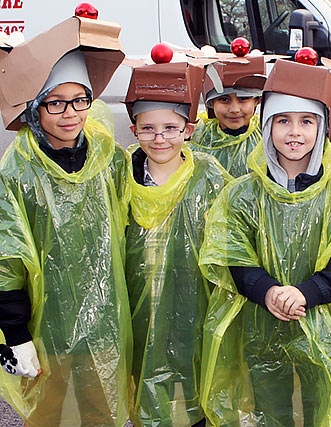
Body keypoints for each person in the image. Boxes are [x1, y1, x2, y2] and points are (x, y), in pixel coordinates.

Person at [198, 58, 331, 426]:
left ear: (323, 128)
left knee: (324, 402)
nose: (294, 132)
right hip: (258, 321)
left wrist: (308, 292)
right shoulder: (244, 193)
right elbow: (230, 253)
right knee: (270, 406)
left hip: (323, 318)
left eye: (306, 121)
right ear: (266, 127)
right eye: (283, 121)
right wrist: (267, 291)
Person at [0, 14, 132, 426]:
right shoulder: (18, 171)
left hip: (106, 321)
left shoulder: (108, 159)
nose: (70, 113)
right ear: (35, 108)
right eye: (55, 102)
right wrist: (16, 335)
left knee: (102, 411)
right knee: (49, 413)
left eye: (80, 100)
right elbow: (6, 260)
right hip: (47, 326)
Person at [123, 60, 232, 427]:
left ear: (189, 129)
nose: (159, 138)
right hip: (139, 303)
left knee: (196, 383)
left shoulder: (210, 176)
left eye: (170, 128)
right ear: (134, 129)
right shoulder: (121, 175)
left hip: (193, 300)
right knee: (145, 387)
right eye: (148, 129)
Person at [189, 56, 265, 177]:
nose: (234, 109)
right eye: (224, 99)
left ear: (256, 100)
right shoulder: (197, 134)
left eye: (243, 99)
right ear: (211, 103)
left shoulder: (267, 135)